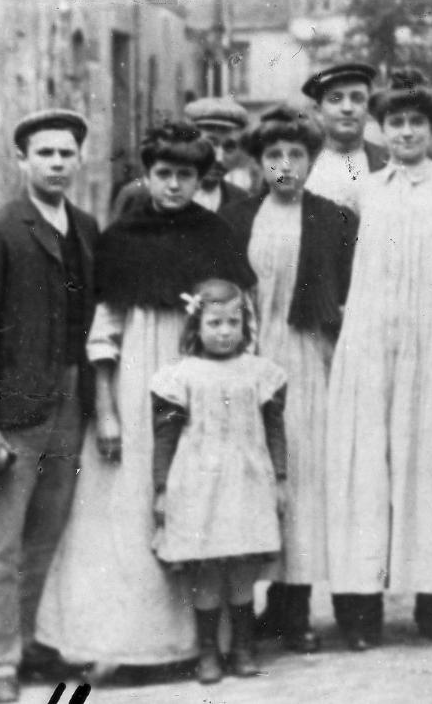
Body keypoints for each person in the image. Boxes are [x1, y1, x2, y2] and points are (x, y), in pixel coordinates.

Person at [36, 122, 255, 678]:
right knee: (128, 509)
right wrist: (106, 411)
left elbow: (236, 315)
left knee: (202, 499)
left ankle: (206, 640)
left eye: (186, 175)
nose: (174, 185)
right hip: (137, 384)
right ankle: (132, 641)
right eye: (164, 174)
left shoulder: (216, 234)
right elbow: (104, 331)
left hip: (201, 381)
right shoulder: (121, 237)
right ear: (148, 175)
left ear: (200, 177)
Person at [324, 70, 432, 650]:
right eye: (395, 123)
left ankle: (430, 601)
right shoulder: (364, 187)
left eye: (417, 122)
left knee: (427, 465)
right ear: (379, 129)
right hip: (367, 340)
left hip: (430, 340)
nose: (407, 132)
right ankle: (361, 606)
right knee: (366, 468)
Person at [0, 110, 98, 704]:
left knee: (44, 536)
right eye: (45, 154)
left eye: (66, 154)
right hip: (12, 413)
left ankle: (28, 645)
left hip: (69, 401)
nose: (57, 164)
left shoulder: (86, 227)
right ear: (22, 161)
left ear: (79, 160)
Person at [222, 105, 358, 653]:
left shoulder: (334, 218)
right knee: (249, 478)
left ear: (311, 159)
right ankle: (247, 606)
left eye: (296, 154)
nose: (284, 165)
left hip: (306, 358)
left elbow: (348, 295)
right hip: (248, 357)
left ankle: (295, 607)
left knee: (299, 481)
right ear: (258, 162)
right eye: (273, 155)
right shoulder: (235, 220)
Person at [149, 279, 288, 684]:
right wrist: (161, 489)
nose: (225, 332)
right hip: (198, 484)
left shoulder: (260, 373)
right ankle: (208, 650)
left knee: (243, 565)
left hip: (247, 482)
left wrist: (280, 478)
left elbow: (275, 431)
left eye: (233, 323)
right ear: (197, 326)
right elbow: (166, 437)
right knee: (207, 569)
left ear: (246, 326)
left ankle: (243, 647)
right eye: (215, 323)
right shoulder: (181, 376)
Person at [111, 96, 251, 218]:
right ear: (189, 143)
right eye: (211, 143)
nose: (219, 158)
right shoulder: (140, 195)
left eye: (229, 147)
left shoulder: (240, 199)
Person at [301, 62, 389, 210]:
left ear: (368, 107)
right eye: (335, 99)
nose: (347, 108)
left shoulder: (390, 162)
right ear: (317, 111)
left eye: (357, 98)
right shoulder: (300, 163)